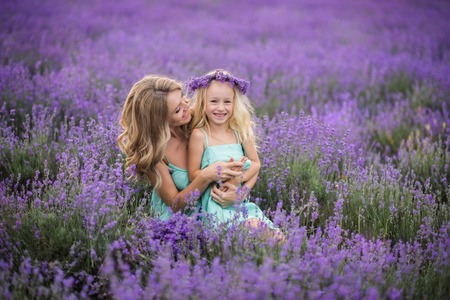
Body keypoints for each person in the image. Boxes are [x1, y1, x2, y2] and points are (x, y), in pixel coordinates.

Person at [117, 75, 245, 220]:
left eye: (183, 97)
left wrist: (240, 193)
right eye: (178, 110)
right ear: (159, 121)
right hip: (182, 223)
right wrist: (205, 176)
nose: (187, 107)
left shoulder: (199, 120)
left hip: (220, 208)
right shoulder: (154, 153)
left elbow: (246, 156)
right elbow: (174, 204)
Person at [187, 69, 281, 237]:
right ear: (203, 102)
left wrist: (241, 190)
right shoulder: (199, 135)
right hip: (215, 204)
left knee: (278, 239)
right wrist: (219, 173)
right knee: (257, 232)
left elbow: (255, 163)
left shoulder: (241, 131)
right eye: (214, 101)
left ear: (235, 103)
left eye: (227, 102)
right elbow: (194, 175)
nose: (221, 108)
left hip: (239, 202)